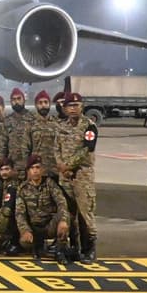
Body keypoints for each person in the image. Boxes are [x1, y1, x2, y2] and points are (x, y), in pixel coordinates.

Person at [55, 92, 99, 263]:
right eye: (70, 106)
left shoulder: (89, 126)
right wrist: (61, 165)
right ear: (65, 108)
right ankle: (73, 247)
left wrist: (69, 165)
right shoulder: (61, 127)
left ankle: (89, 249)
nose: (73, 108)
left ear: (82, 107)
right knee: (68, 213)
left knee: (85, 213)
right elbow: (56, 148)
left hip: (82, 176)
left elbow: (87, 149)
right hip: (65, 177)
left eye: (76, 105)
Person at [16, 154, 70, 264]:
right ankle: (37, 247)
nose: (35, 171)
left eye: (38, 167)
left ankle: (60, 250)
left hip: (49, 225)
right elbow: (19, 213)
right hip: (34, 228)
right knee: (24, 242)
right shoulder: (22, 189)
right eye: (32, 168)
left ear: (42, 170)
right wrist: (25, 230)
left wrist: (63, 220)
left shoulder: (50, 184)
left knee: (66, 219)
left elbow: (61, 202)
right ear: (28, 171)